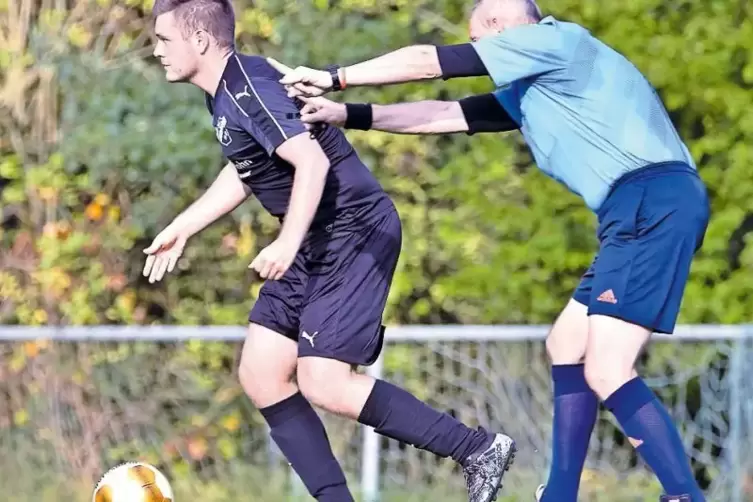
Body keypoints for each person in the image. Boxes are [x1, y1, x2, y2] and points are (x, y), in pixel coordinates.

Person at [268, 0, 710, 501]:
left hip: (651, 201)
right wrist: (348, 115)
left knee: (608, 368)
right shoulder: (533, 89)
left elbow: (429, 62)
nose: (476, 51)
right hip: (634, 209)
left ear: (499, 26)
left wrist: (335, 77)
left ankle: (684, 496)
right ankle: (560, 494)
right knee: (566, 343)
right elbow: (443, 114)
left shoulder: (554, 41)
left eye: (478, 40)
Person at [142, 0, 516, 501]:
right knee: (262, 372)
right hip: (314, 235)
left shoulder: (248, 87)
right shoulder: (227, 92)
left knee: (325, 382)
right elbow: (248, 166)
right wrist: (184, 226)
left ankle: (477, 449)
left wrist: (285, 243)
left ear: (201, 41)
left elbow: (312, 163)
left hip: (352, 230)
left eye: (164, 40)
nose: (156, 50)